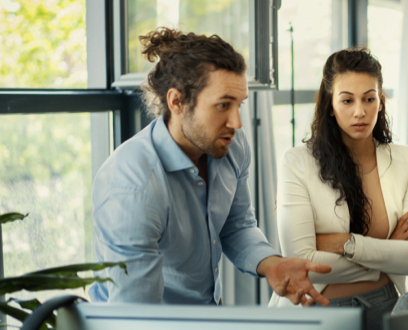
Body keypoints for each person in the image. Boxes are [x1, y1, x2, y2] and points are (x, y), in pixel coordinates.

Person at [88, 27, 331, 306]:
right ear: (176, 101)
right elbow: (137, 314)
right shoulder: (132, 185)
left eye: (239, 105)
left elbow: (236, 225)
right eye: (223, 105)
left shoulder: (231, 146)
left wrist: (271, 263)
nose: (237, 123)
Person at [268, 46, 408, 330]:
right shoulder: (297, 163)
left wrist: (347, 243)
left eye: (369, 99)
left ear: (381, 101)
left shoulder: (403, 159)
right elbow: (302, 261)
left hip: (386, 307)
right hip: (319, 309)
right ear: (330, 104)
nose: (360, 111)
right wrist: (389, 253)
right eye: (347, 101)